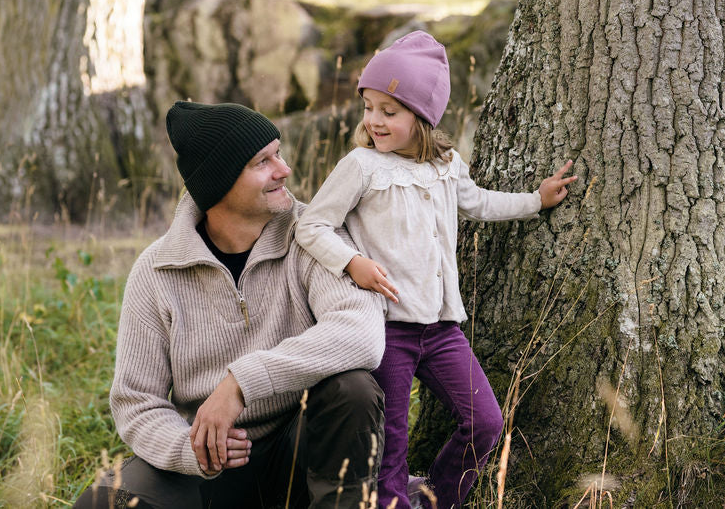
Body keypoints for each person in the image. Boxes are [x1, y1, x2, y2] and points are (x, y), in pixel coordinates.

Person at [295, 31, 578, 509]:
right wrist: (354, 263)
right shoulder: (362, 166)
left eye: (390, 111)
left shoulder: (446, 164)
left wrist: (536, 200)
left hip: (443, 328)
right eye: (369, 107)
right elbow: (313, 224)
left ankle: (434, 500)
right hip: (388, 329)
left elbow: (479, 204)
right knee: (392, 444)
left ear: (422, 115)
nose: (374, 121)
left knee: (486, 423)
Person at [74, 101, 386, 509]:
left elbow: (362, 334)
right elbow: (137, 401)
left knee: (354, 389)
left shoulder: (313, 236)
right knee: (102, 504)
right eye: (263, 161)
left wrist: (241, 383)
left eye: (278, 153)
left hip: (302, 451)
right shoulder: (157, 270)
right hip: (211, 465)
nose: (284, 169)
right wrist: (191, 450)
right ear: (219, 183)